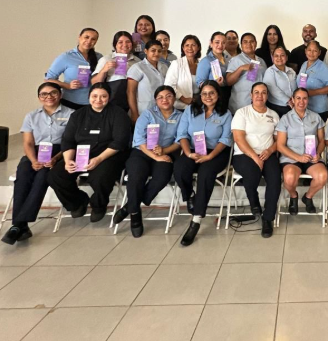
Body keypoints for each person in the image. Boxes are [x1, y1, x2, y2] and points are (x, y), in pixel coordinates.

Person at [47, 82, 132, 222]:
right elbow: (68, 140)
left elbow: (120, 142)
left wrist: (98, 159)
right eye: (94, 96)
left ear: (109, 97)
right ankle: (78, 201)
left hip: (109, 154)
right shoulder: (78, 115)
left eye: (103, 96)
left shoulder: (118, 114)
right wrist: (68, 160)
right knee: (56, 175)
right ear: (89, 97)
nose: (98, 100)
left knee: (100, 177)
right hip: (81, 154)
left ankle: (98, 205)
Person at [1, 83, 74, 245]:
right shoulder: (31, 116)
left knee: (42, 178)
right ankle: (20, 225)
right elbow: (27, 143)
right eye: (44, 94)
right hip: (35, 151)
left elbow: (70, 142)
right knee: (23, 177)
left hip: (60, 152)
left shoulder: (71, 114)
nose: (49, 97)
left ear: (60, 95)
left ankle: (18, 225)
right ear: (39, 97)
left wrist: (55, 158)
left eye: (53, 93)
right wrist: (34, 160)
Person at [113, 85, 183, 237]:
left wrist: (164, 151)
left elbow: (180, 140)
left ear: (174, 98)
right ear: (155, 100)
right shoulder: (147, 114)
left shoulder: (181, 116)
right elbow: (139, 140)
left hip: (165, 151)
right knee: (136, 176)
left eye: (169, 96)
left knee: (162, 177)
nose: (165, 100)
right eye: (160, 97)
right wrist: (156, 156)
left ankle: (129, 206)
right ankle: (135, 215)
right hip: (142, 152)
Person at [174, 81, 233, 246]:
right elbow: (182, 134)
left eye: (212, 93)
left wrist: (210, 156)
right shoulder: (190, 110)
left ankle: (196, 220)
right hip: (193, 149)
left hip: (216, 152)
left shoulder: (226, 114)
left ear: (218, 95)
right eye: (204, 93)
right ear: (200, 96)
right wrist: (188, 153)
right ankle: (189, 196)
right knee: (179, 169)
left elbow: (225, 139)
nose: (208, 96)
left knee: (205, 174)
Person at [230, 82, 281, 238]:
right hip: (244, 154)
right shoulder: (242, 113)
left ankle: (268, 218)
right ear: (251, 95)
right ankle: (254, 204)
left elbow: (279, 140)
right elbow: (238, 139)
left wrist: (269, 151)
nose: (260, 95)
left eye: (263, 92)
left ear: (267, 96)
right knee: (252, 173)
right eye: (256, 92)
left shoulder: (274, 115)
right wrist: (254, 157)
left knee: (275, 179)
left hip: (267, 154)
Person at [276, 88, 327, 215]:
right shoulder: (285, 119)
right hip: (291, 158)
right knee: (289, 178)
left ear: (308, 100)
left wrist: (318, 153)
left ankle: (308, 197)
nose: (301, 101)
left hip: (312, 157)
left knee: (323, 176)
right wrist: (298, 157)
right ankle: (293, 196)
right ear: (293, 100)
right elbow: (280, 146)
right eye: (298, 98)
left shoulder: (316, 117)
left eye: (304, 98)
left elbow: (322, 141)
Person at [45, 28, 102, 109]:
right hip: (70, 102)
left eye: (93, 39)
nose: (89, 41)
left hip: (93, 103)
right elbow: (48, 79)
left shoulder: (99, 57)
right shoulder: (66, 56)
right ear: (79, 37)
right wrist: (67, 86)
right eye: (86, 37)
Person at [91, 30, 141, 111]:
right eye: (120, 42)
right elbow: (94, 83)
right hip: (111, 104)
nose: (124, 45)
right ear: (115, 45)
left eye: (128, 42)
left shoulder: (137, 61)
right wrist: (104, 70)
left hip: (133, 103)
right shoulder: (106, 59)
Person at [127, 40, 169, 122]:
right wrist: (134, 113)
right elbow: (130, 92)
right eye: (153, 50)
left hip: (161, 110)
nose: (156, 53)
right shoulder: (137, 67)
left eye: (159, 51)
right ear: (146, 51)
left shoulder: (164, 67)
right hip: (142, 110)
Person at [226, 33, 268, 114]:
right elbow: (228, 81)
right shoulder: (236, 60)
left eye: (251, 41)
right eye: (245, 42)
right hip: (241, 104)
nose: (248, 44)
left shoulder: (261, 61)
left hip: (259, 104)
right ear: (241, 45)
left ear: (256, 43)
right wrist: (241, 68)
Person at [299, 40, 328, 122]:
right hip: (306, 107)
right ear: (305, 51)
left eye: (315, 51)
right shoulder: (304, 64)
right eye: (309, 50)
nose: (311, 53)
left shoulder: (322, 67)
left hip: (319, 109)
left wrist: (313, 92)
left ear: (319, 53)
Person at [165, 35, 202, 111]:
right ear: (183, 48)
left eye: (193, 45)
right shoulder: (176, 63)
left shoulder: (202, 64)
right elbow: (169, 86)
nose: (190, 48)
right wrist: (184, 99)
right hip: (180, 107)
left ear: (198, 47)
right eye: (187, 45)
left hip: (199, 106)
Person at [263, 46, 297, 117]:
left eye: (282, 55)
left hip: (292, 105)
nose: (279, 58)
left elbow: (296, 86)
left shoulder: (291, 71)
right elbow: (273, 89)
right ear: (272, 58)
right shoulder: (270, 71)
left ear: (286, 57)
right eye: (276, 56)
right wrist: (288, 100)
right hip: (276, 107)